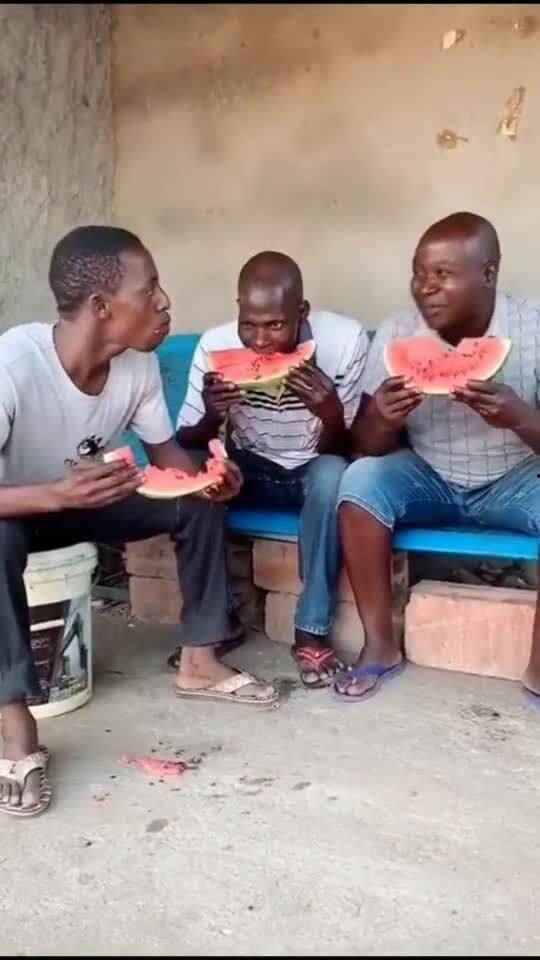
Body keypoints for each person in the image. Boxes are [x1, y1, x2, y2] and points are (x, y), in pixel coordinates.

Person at [0, 225, 280, 819]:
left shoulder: (137, 366)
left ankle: (201, 660)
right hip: (18, 511)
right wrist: (55, 493)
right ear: (102, 306)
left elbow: (167, 459)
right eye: (149, 289)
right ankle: (13, 720)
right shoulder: (14, 364)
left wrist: (209, 476)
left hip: (92, 499)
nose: (164, 302)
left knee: (197, 499)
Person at [335, 212, 540, 702]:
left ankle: (539, 668)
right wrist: (382, 418)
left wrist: (520, 417)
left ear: (488, 273)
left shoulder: (533, 327)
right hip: (429, 476)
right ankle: (380, 646)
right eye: (418, 274)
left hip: (517, 478)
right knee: (360, 481)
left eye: (442, 274)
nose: (424, 287)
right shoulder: (398, 332)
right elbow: (365, 445)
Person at [174, 251, 369, 687]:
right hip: (251, 469)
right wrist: (211, 415)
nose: (260, 341)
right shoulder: (214, 345)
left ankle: (311, 630)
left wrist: (330, 413)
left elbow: (353, 448)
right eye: (249, 324)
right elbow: (186, 442)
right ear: (238, 310)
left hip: (315, 467)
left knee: (334, 476)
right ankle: (215, 626)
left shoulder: (346, 339)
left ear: (302, 312)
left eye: (276, 325)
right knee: (201, 477)